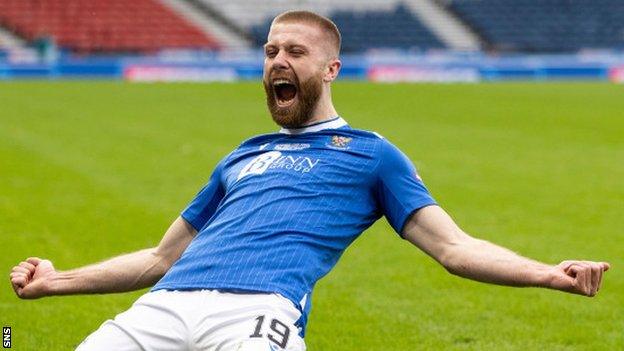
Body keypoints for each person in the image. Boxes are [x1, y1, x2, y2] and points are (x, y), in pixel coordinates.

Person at [9, 10, 610, 351]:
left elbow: (454, 248)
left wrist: (546, 273)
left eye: (293, 51)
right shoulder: (243, 155)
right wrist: (55, 282)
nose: (276, 62)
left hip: (254, 316)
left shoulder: (373, 155)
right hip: (160, 310)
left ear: (330, 69)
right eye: (270, 50)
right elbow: (160, 259)